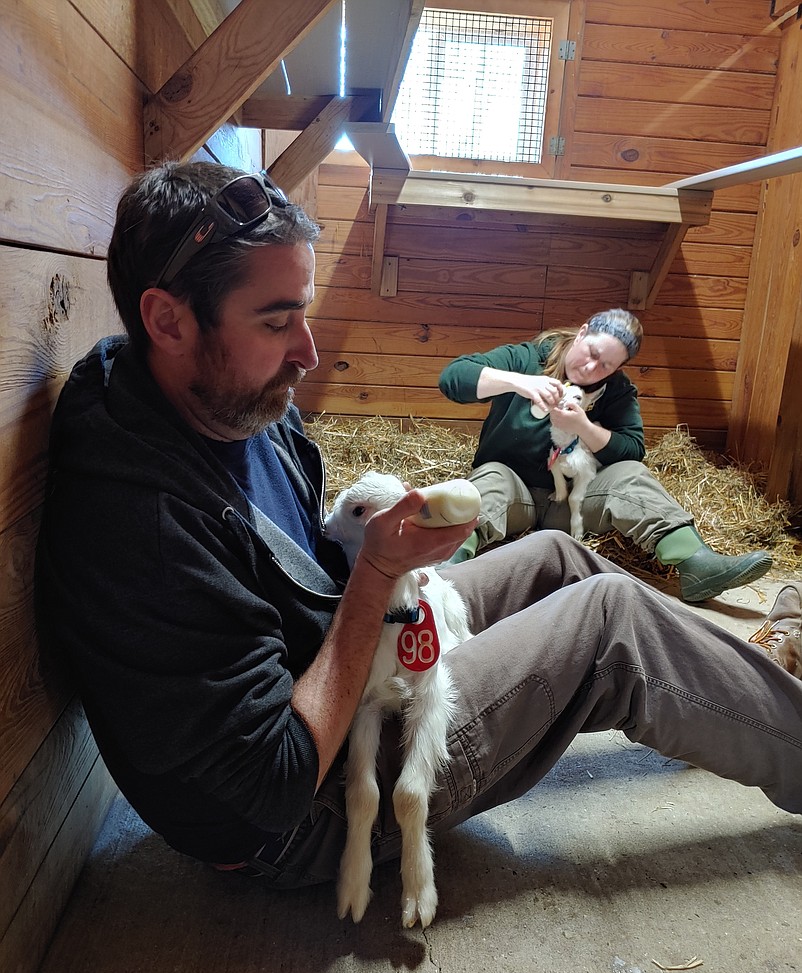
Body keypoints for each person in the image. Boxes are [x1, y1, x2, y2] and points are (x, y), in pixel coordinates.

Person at [36, 162, 802, 894]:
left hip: (345, 667)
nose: (306, 350)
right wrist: (374, 578)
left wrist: (385, 563)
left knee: (558, 558)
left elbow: (301, 558)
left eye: (302, 311)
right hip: (309, 815)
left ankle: (746, 693)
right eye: (277, 321)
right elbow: (270, 787)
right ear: (166, 320)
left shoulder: (217, 391)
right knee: (610, 623)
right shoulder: (148, 525)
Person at [438, 310, 773, 602]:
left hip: (573, 502)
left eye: (606, 365)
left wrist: (584, 426)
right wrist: (520, 383)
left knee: (630, 474)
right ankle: (449, 562)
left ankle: (696, 562)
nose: (590, 367)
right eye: (591, 352)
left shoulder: (616, 390)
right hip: (515, 495)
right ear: (582, 332)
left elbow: (632, 449)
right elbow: (453, 379)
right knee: (492, 476)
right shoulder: (525, 359)